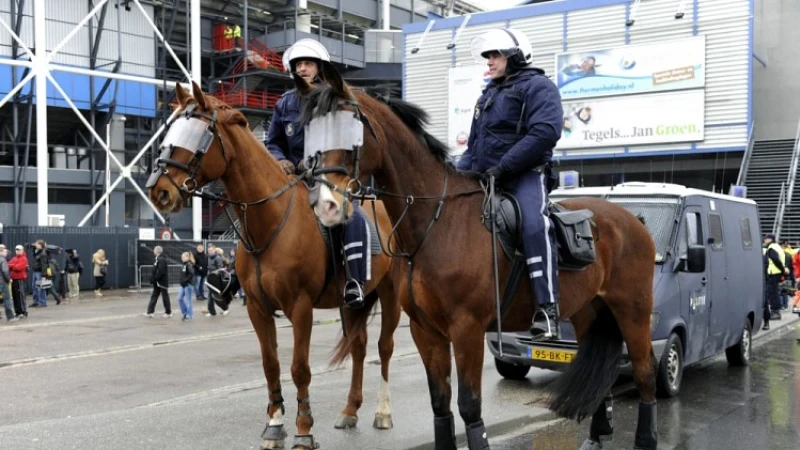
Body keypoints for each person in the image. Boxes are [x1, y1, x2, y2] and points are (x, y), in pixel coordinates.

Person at [460, 28, 563, 341]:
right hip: (486, 177)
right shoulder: (487, 94)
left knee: (534, 225)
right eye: (487, 56)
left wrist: (504, 166)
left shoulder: (539, 86)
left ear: (515, 57)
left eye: (495, 55)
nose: (489, 61)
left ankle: (547, 309)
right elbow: (473, 147)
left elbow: (545, 133)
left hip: (525, 175)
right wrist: (454, 173)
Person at [265, 38, 371, 307]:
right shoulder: (284, 103)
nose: (302, 69)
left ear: (320, 68)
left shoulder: (335, 98)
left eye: (308, 64)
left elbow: (342, 140)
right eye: (298, 64)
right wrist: (279, 159)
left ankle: (354, 281)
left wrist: (309, 162)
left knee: (352, 215)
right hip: (289, 179)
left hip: (326, 177)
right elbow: (273, 141)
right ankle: (237, 276)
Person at [763, 234, 786, 321]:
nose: (764, 241)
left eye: (766, 239)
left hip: (773, 272)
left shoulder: (771, 248)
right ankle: (776, 311)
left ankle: (775, 312)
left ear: (770, 239)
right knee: (774, 292)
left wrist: (782, 270)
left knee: (773, 293)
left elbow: (775, 260)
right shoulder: (777, 246)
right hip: (777, 272)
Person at [144, 246, 171, 318]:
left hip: (162, 282)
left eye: (154, 250)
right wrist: (153, 278)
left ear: (157, 251)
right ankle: (150, 312)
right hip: (157, 282)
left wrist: (155, 278)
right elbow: (155, 270)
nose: (153, 251)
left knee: (165, 297)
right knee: (154, 296)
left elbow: (161, 271)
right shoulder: (157, 259)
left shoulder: (162, 259)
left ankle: (168, 312)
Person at [8, 245, 28, 318]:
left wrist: (12, 266)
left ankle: (23, 311)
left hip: (20, 279)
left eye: (19, 249)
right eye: (16, 249)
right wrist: (14, 265)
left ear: (22, 250)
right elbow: (8, 265)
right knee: (15, 296)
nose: (17, 251)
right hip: (14, 279)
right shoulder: (14, 258)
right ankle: (17, 311)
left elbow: (19, 268)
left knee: (20, 296)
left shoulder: (24, 259)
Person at [30, 240, 50, 307]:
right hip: (35, 271)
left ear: (41, 245)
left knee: (41, 287)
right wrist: (33, 249)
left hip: (39, 272)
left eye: (37, 244)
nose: (35, 245)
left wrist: (43, 275)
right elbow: (35, 256)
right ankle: (36, 301)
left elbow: (44, 265)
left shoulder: (43, 253)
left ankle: (43, 302)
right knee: (34, 287)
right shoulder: (37, 252)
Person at [178, 251, 195, 321]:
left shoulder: (189, 265)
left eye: (183, 257)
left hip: (188, 285)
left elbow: (191, 274)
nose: (182, 258)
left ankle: (189, 315)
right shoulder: (184, 265)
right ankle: (185, 312)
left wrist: (185, 280)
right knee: (179, 298)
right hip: (183, 285)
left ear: (187, 257)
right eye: (181, 257)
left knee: (188, 300)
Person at [0, 244, 16, 322]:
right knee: (7, 298)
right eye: (5, 252)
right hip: (2, 281)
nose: (7, 254)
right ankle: (10, 317)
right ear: (2, 251)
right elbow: (5, 271)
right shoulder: (2, 259)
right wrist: (8, 279)